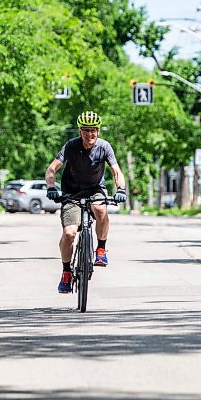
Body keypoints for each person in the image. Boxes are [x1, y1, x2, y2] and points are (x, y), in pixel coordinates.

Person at [45, 110, 127, 293]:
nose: (90, 134)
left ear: (98, 131)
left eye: (93, 130)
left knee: (100, 209)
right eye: (86, 130)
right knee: (69, 233)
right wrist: (51, 187)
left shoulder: (104, 147)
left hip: (95, 189)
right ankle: (66, 272)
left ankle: (101, 249)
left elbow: (116, 171)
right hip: (71, 192)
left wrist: (121, 189)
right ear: (80, 131)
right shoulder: (71, 146)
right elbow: (52, 169)